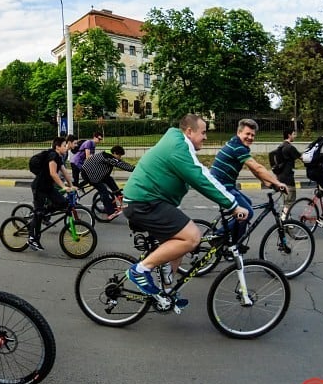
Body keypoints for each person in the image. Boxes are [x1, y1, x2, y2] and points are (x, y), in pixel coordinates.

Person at [122, 114, 248, 306]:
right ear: (189, 131)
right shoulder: (178, 148)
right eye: (203, 132)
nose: (206, 137)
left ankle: (166, 293)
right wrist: (233, 206)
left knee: (178, 244)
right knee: (192, 237)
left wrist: (230, 200)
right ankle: (139, 270)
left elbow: (204, 174)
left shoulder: (180, 144)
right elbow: (200, 180)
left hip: (150, 201)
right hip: (143, 203)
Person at [209, 119, 287, 240]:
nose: (250, 137)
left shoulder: (238, 144)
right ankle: (221, 238)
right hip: (221, 186)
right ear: (239, 132)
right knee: (247, 213)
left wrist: (267, 183)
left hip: (225, 184)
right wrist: (277, 182)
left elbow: (254, 169)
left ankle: (232, 237)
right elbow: (257, 167)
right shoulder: (238, 147)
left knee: (248, 204)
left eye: (252, 135)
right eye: (247, 134)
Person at [27, 136, 75, 251]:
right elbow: (53, 173)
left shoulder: (59, 157)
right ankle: (32, 238)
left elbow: (65, 172)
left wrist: (71, 185)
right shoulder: (52, 155)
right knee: (38, 213)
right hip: (39, 188)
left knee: (63, 203)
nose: (66, 147)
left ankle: (44, 213)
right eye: (64, 145)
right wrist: (64, 187)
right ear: (57, 147)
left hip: (48, 187)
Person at [81, 145, 134, 219]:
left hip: (98, 173)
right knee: (103, 191)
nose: (120, 157)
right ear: (115, 153)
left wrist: (134, 167)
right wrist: (134, 169)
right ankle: (111, 212)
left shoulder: (110, 154)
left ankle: (121, 201)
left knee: (111, 181)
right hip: (89, 175)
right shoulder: (108, 157)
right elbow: (120, 164)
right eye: (119, 155)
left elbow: (120, 162)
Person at [274, 129, 302, 220]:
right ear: (289, 135)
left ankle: (287, 217)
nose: (295, 136)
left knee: (286, 200)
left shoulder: (280, 146)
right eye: (294, 134)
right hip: (288, 178)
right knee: (290, 200)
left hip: (280, 177)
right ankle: (284, 219)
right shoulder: (290, 147)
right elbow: (302, 157)